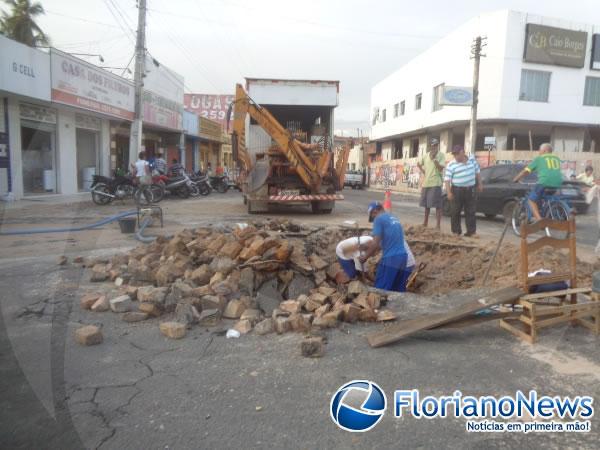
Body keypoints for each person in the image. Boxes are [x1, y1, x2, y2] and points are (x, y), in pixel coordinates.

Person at [359, 202, 408, 291]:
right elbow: (381, 245)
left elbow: (375, 243)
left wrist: (365, 257)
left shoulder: (379, 219)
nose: (373, 219)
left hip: (391, 258)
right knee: (398, 290)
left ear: (374, 211)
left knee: (380, 290)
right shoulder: (393, 218)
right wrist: (367, 247)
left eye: (372, 216)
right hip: (403, 257)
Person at [513, 143, 562, 221]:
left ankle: (539, 220)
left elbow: (525, 171)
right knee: (542, 196)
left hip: (544, 182)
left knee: (531, 200)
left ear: (545, 150)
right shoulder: (556, 158)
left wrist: (516, 179)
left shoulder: (540, 158)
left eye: (540, 150)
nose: (539, 152)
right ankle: (545, 211)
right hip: (557, 183)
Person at [444, 145, 483, 237]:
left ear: (463, 152)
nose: (456, 156)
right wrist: (449, 192)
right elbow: (447, 180)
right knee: (455, 211)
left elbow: (478, 173)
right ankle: (456, 231)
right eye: (454, 154)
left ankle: (471, 232)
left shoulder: (472, 161)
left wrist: (480, 184)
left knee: (471, 211)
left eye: (457, 154)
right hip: (457, 190)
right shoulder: (451, 164)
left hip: (470, 189)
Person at [417, 137, 446, 230]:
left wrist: (434, 160)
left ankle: (438, 225)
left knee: (438, 205)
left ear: (438, 146)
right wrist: (423, 171)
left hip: (436, 183)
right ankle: (425, 223)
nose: (434, 147)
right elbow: (419, 164)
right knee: (426, 205)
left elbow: (441, 168)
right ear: (430, 146)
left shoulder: (441, 155)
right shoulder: (425, 156)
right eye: (432, 145)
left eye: (436, 145)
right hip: (426, 183)